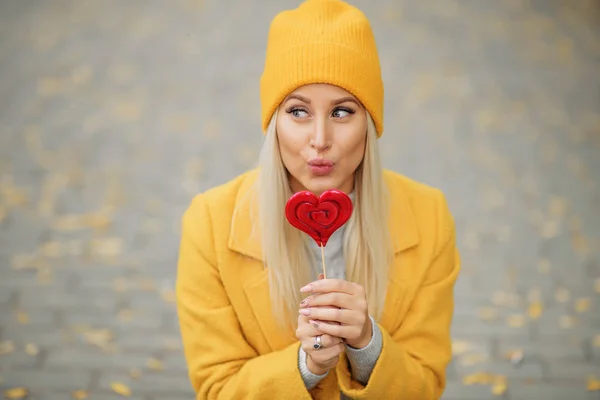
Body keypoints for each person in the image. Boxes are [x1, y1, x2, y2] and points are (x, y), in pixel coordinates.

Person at [175, 0, 460, 399]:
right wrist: (304, 367)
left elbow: (425, 386)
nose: (320, 139)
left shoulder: (429, 217)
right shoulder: (209, 222)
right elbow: (216, 388)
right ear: (274, 123)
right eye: (298, 111)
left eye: (342, 112)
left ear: (370, 124)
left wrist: (367, 343)